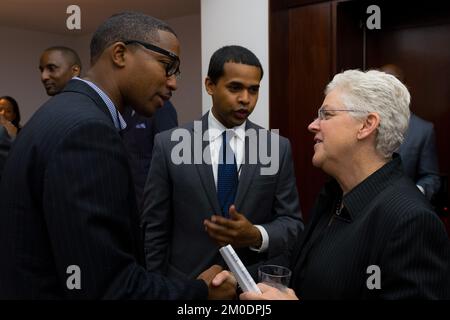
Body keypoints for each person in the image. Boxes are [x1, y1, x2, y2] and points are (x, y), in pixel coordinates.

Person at [0, 12, 235, 299]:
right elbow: (109, 287)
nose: (173, 83)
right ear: (120, 54)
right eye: (167, 66)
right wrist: (200, 292)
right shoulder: (87, 131)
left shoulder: (59, 112)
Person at [241, 69, 450, 300]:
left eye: (327, 115)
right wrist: (239, 279)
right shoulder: (333, 194)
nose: (313, 125)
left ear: (366, 125)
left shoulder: (412, 222)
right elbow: (299, 260)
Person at [142, 45, 303, 280]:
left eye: (253, 90)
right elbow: (155, 228)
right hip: (188, 286)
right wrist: (158, 289)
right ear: (210, 85)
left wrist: (256, 235)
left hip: (250, 286)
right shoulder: (169, 145)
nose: (245, 99)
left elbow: (292, 223)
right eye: (235, 87)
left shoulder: (276, 148)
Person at [380, 64, 440, 201]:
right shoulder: (360, 123)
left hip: (400, 209)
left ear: (404, 88)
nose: (387, 87)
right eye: (382, 82)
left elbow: (431, 177)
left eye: (393, 81)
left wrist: (414, 193)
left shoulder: (423, 130)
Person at [121, 100, 178, 209]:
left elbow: (168, 162)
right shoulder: (125, 108)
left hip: (149, 203)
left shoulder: (162, 108)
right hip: (127, 200)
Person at [0, 96, 21, 177]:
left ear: (14, 116)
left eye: (8, 111)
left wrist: (13, 138)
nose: (3, 114)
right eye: (0, 109)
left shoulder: (22, 135)